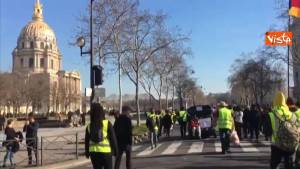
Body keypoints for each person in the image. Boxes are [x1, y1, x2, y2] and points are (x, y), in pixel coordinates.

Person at [85, 103, 118, 169]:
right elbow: (113, 139)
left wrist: (87, 153)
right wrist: (116, 151)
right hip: (106, 153)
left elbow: (87, 141)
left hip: (93, 153)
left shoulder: (89, 126)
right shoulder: (107, 124)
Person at [268, 92, 295, 169]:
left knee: (274, 164)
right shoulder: (291, 114)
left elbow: (267, 131)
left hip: (277, 144)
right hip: (290, 143)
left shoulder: (271, 114)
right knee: (289, 164)